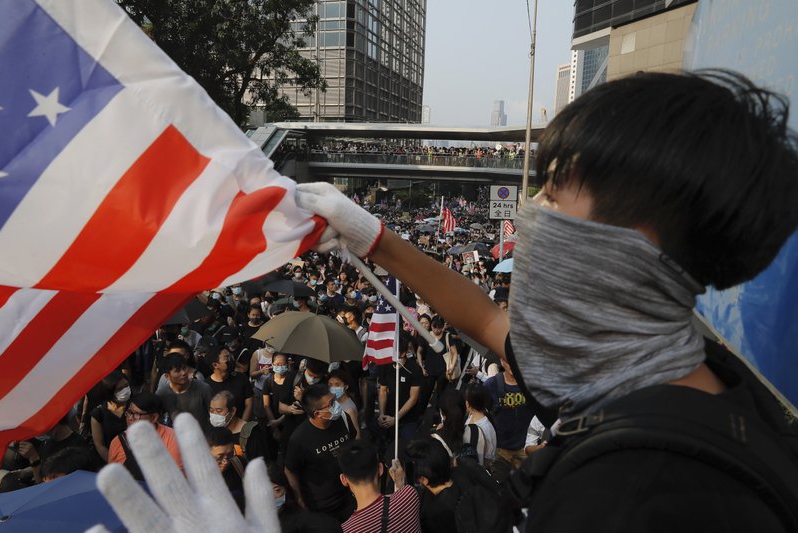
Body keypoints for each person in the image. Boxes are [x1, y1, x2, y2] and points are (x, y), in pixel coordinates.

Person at [294, 70, 798, 531]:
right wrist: (370, 236)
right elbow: (486, 319)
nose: (529, 210)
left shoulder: (635, 498)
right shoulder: (637, 366)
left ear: (634, 239)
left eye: (553, 193)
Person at [284, 384, 357, 522]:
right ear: (317, 413)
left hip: (348, 497)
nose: (336, 405)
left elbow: (352, 444)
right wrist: (300, 501)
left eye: (334, 400)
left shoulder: (343, 418)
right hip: (321, 507)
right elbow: (290, 470)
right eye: (331, 404)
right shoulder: (299, 439)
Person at [338, 440, 421, 533]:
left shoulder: (347, 530)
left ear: (343, 479)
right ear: (381, 469)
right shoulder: (410, 495)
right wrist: (401, 483)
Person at [108, 392, 182, 478]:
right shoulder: (118, 442)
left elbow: (175, 477)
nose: (130, 418)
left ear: (154, 417)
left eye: (137, 414)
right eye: (129, 412)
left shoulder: (172, 438)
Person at [156, 355, 213, 429]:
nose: (183, 373)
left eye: (184, 368)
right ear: (167, 376)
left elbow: (213, 415)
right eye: (177, 371)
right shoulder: (162, 394)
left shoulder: (203, 388)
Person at [90, 371, 130, 463]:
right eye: (120, 389)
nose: (125, 390)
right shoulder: (98, 414)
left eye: (126, 385)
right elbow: (100, 446)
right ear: (109, 392)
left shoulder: (135, 405)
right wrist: (115, 463)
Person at [206, 345, 254, 422]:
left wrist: (242, 425)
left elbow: (249, 404)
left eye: (230, 356)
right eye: (226, 357)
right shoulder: (206, 386)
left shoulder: (241, 378)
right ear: (215, 365)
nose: (231, 360)